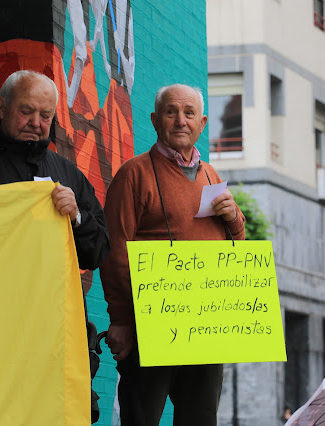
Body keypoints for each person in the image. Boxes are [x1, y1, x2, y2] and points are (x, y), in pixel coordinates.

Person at [0, 69, 110, 422]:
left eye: (46, 115)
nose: (36, 122)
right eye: (26, 111)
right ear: (0, 106)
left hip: (52, 333)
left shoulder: (67, 172)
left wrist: (77, 217)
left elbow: (99, 250)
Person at [99, 83, 246, 426]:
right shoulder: (134, 174)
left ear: (203, 123)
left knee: (200, 419)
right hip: (149, 321)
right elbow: (115, 251)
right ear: (154, 120)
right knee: (142, 417)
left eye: (189, 113)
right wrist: (120, 320)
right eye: (171, 112)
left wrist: (234, 218)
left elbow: (233, 251)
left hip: (205, 326)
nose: (181, 121)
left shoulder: (212, 175)